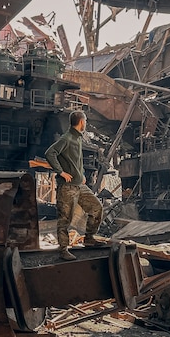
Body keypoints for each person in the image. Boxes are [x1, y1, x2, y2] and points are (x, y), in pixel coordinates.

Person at [45, 110, 105, 261]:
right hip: (67, 187)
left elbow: (76, 160)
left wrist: (82, 174)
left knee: (96, 208)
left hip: (79, 185)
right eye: (85, 121)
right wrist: (61, 172)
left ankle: (89, 239)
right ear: (82, 122)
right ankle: (63, 250)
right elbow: (50, 152)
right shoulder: (67, 138)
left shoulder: (78, 138)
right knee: (65, 219)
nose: (86, 123)